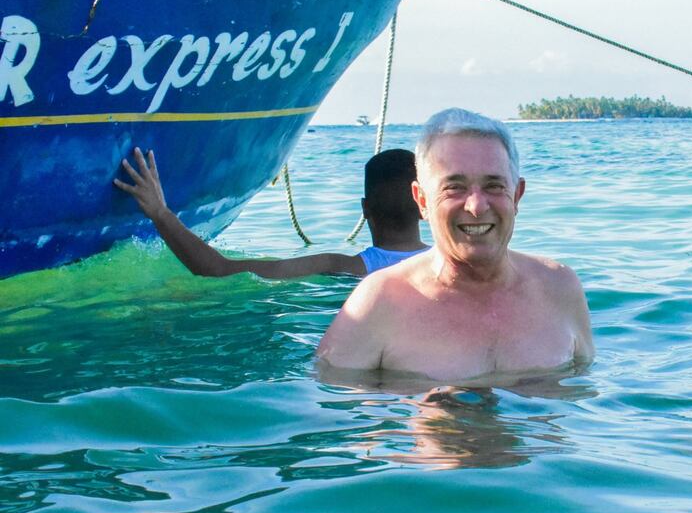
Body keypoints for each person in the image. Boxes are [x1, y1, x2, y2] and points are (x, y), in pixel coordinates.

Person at [316, 108, 594, 380]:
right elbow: (334, 410)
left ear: (517, 196)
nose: (476, 206)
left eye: (493, 186)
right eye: (454, 188)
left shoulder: (560, 287)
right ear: (422, 201)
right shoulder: (380, 301)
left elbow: (586, 398)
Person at [114, 147, 428, 278]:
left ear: (364, 209)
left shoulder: (342, 267)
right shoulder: (452, 264)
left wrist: (159, 211)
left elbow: (217, 269)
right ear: (424, 206)